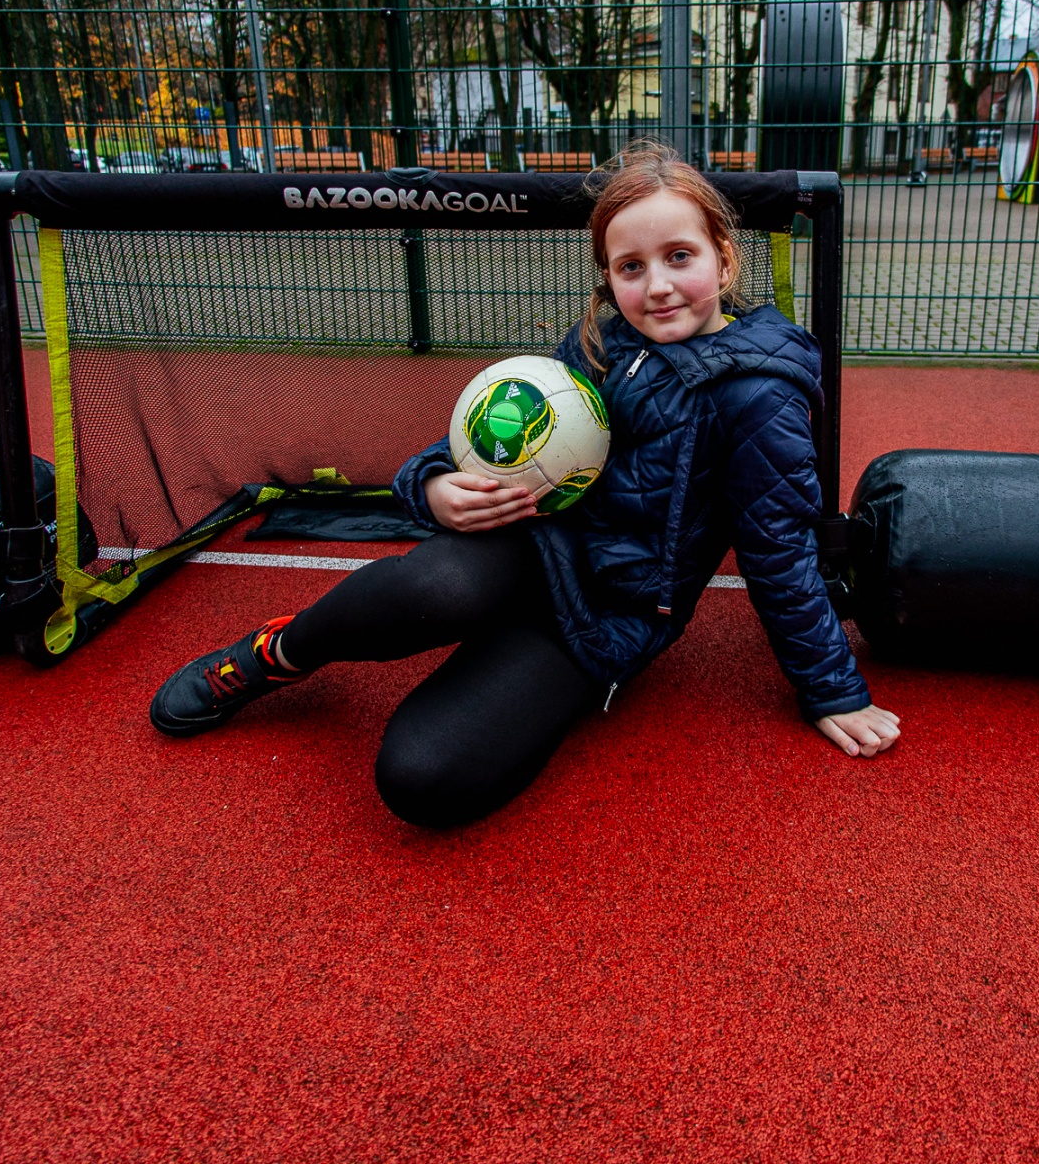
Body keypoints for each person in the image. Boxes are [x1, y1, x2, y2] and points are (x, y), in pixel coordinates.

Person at [149, 144, 899, 827]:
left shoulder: (761, 394)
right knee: (430, 588)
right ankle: (277, 652)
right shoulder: (602, 341)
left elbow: (779, 551)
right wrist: (433, 484)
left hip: (607, 612)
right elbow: (499, 432)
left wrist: (831, 688)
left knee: (421, 780)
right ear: (608, 277)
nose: (659, 285)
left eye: (680, 256)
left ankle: (519, 664)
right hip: (525, 543)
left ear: (725, 261)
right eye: (631, 267)